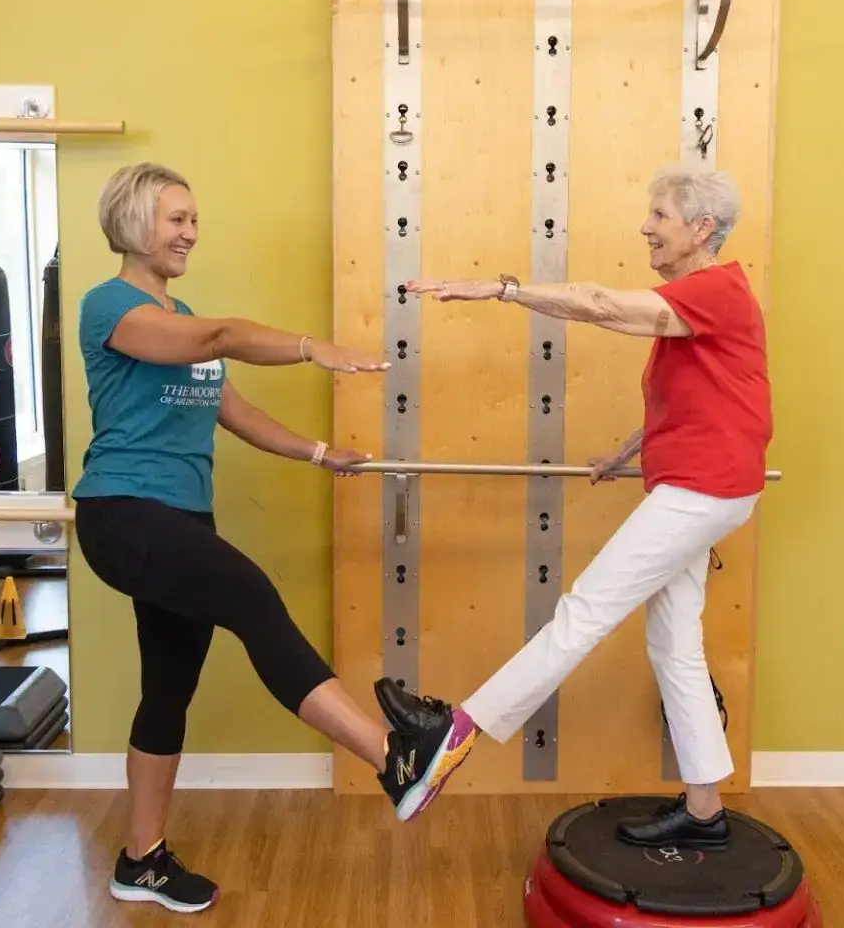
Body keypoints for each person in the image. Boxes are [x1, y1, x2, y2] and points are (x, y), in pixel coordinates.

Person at [72, 162, 462, 914]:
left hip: (180, 517)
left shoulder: (179, 317)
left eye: (193, 218)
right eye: (175, 218)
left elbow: (231, 410)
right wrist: (314, 348)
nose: (191, 230)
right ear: (131, 223)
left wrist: (321, 454)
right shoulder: (110, 307)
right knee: (252, 596)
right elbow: (218, 335)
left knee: (168, 688)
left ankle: (141, 859)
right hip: (124, 512)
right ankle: (393, 759)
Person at [372, 162, 772, 849]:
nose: (646, 225)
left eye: (660, 215)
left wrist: (503, 289)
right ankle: (705, 809)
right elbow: (705, 393)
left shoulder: (715, 290)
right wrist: (626, 451)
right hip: (704, 484)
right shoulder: (698, 302)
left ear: (702, 228)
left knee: (583, 611)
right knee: (675, 646)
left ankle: (452, 735)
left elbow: (601, 305)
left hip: (703, 489)